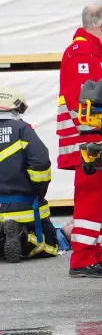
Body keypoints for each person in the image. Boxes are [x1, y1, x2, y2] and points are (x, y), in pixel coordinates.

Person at [57, 2, 102, 277]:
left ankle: (94, 253)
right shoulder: (80, 53)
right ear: (101, 25)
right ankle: (82, 259)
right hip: (87, 140)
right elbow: (80, 100)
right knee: (91, 198)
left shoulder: (99, 54)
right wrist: (96, 133)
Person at [0, 88, 60, 262]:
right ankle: (23, 237)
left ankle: (4, 236)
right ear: (17, 109)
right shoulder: (22, 129)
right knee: (50, 246)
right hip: (24, 206)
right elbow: (40, 162)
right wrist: (39, 191)